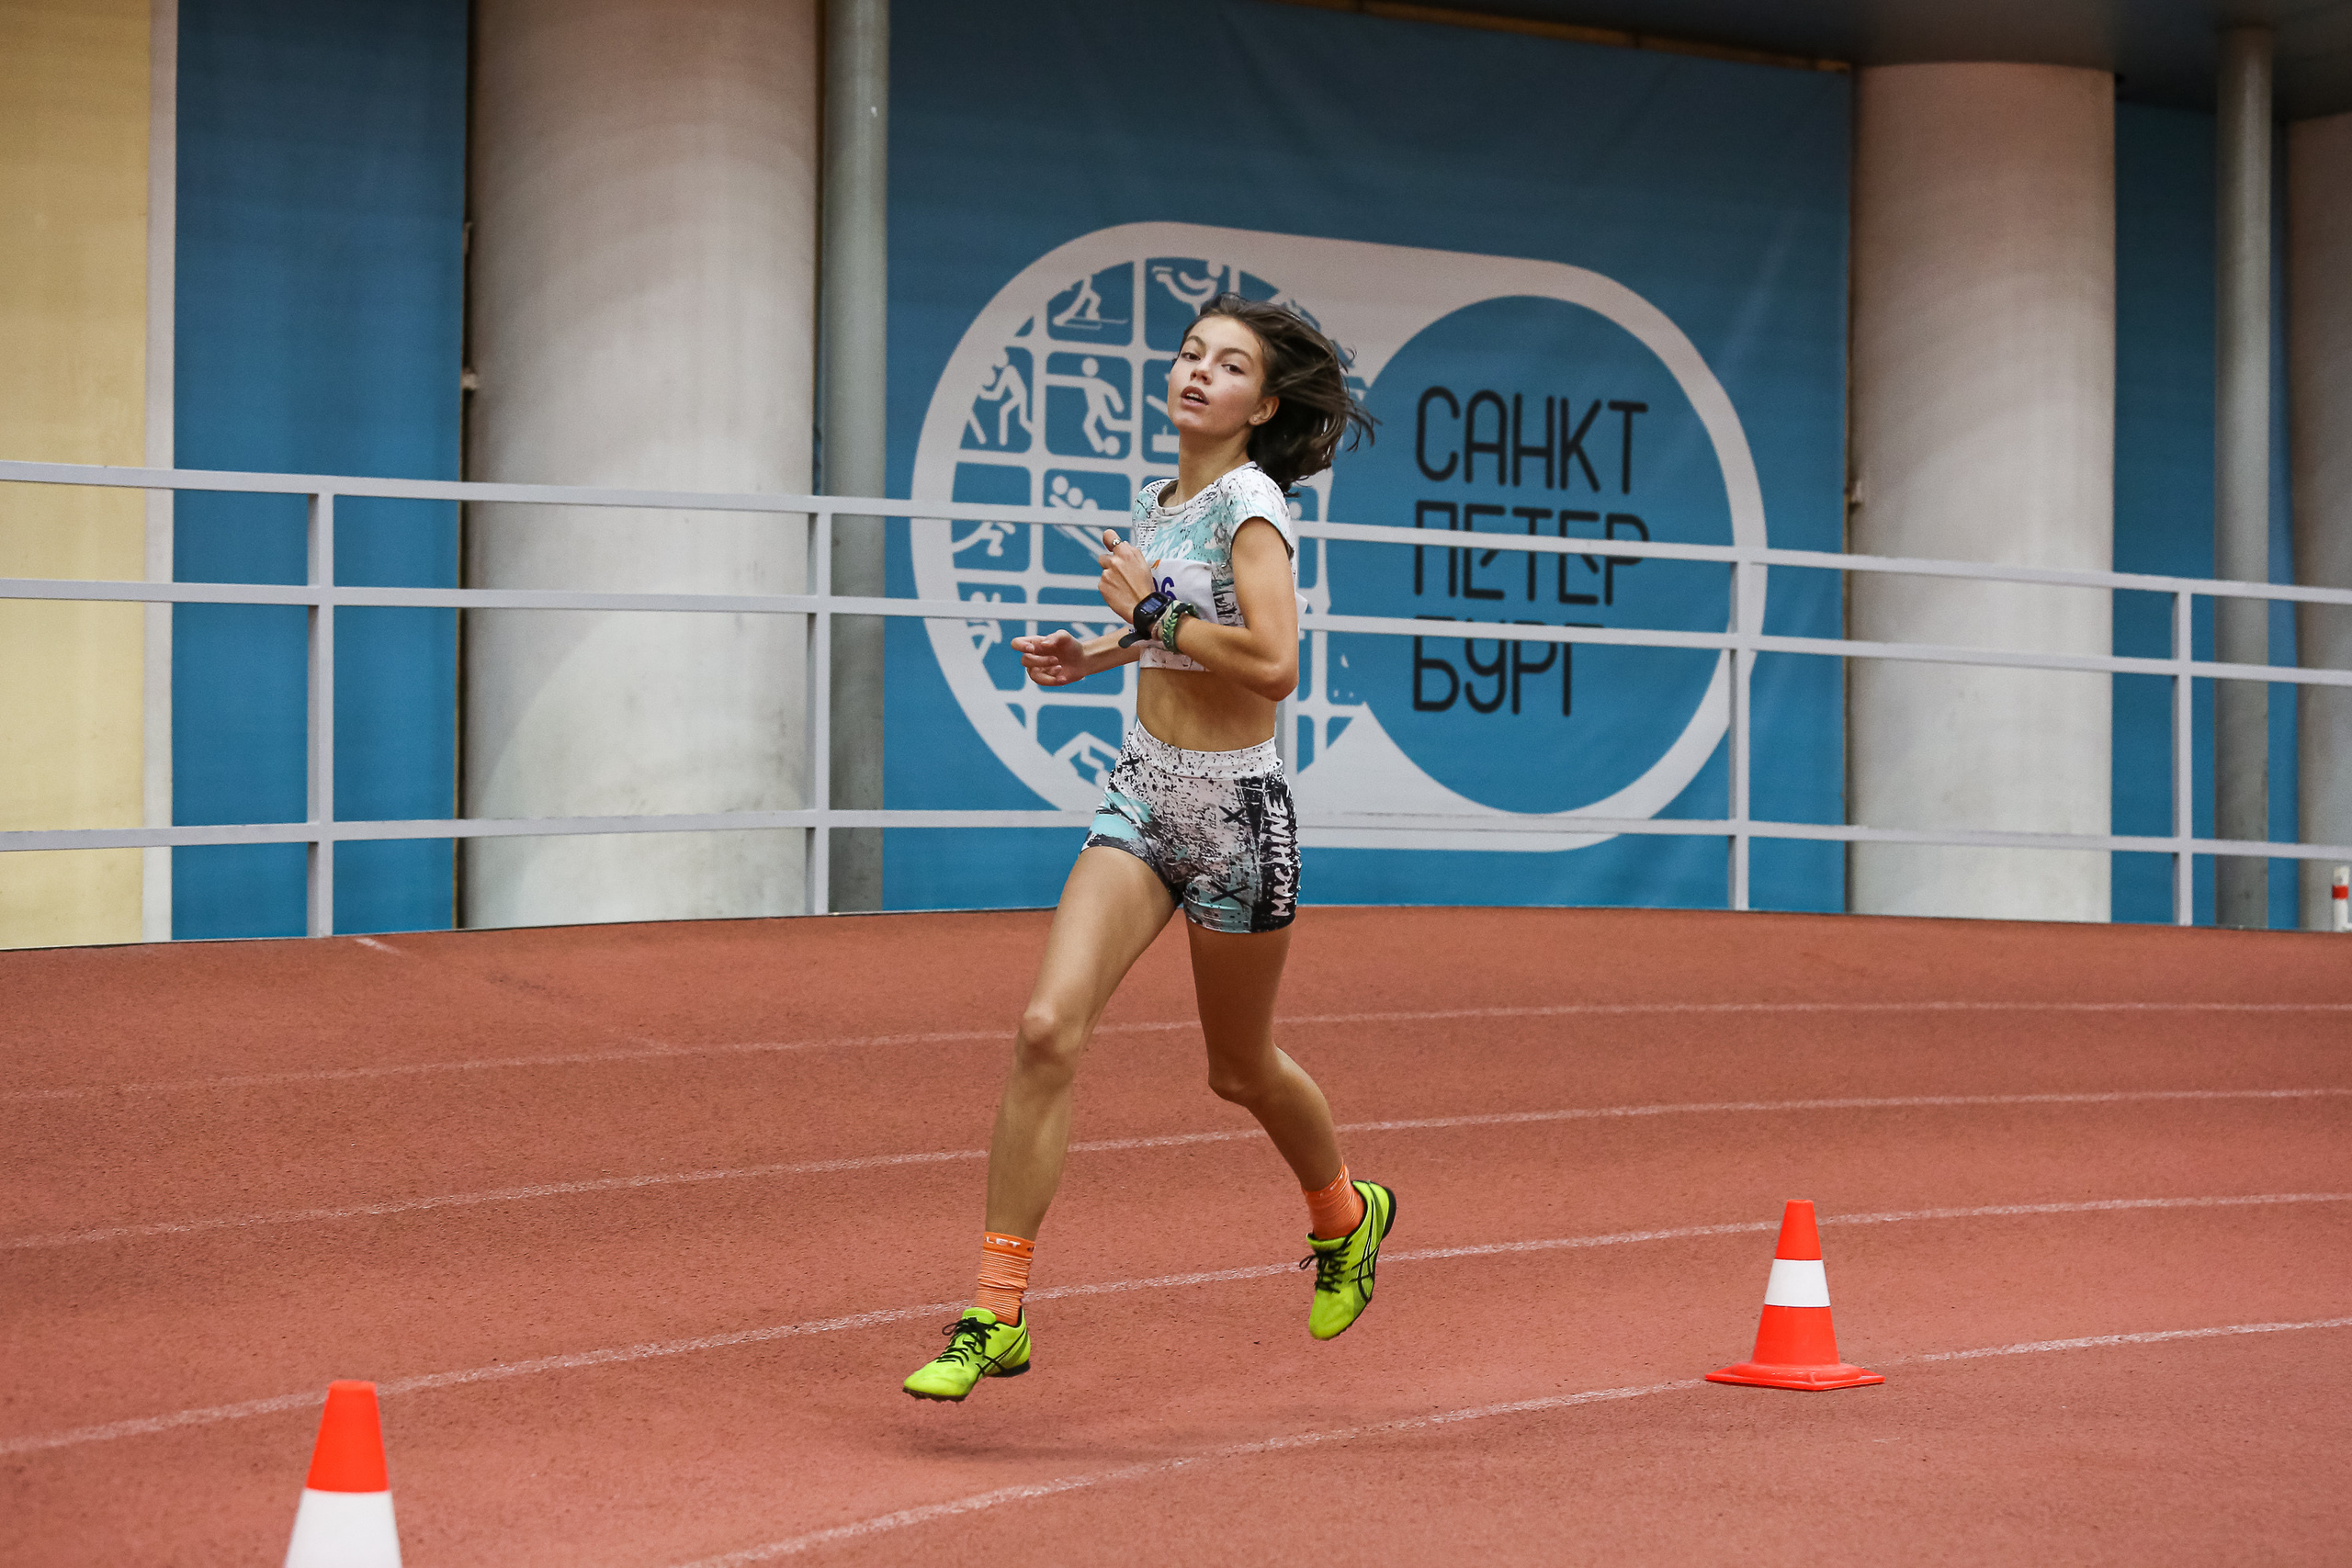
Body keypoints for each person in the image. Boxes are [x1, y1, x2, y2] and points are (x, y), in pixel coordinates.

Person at [904, 295, 1384, 1403]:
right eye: (1187, 354)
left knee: (1237, 1070)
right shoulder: (1161, 499)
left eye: (1226, 366)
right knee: (1042, 1032)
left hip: (1236, 819)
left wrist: (1158, 620)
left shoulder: (1251, 505)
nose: (1195, 373)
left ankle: (1346, 1218)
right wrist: (1104, 654)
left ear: (1262, 406)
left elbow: (1271, 665)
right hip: (1140, 796)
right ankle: (995, 1311)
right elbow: (1175, 629)